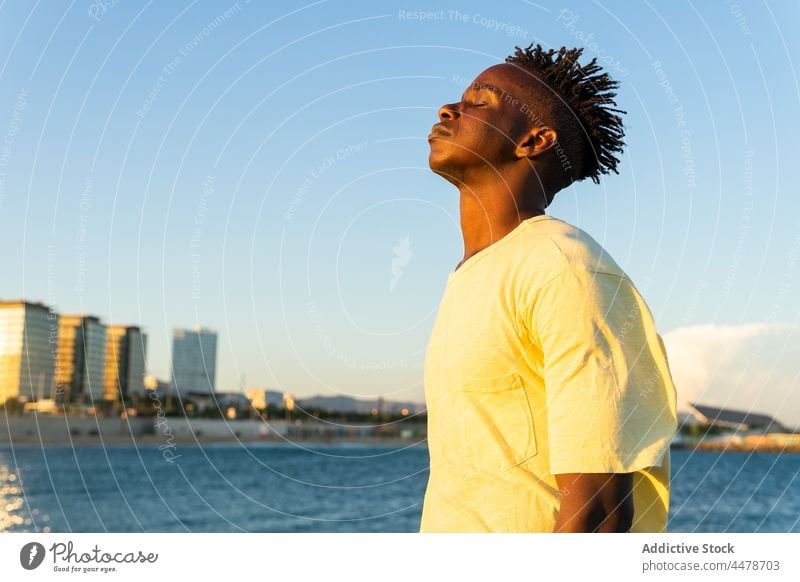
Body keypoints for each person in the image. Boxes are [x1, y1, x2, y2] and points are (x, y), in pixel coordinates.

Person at [419, 44, 678, 533]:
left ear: (535, 141)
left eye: (481, 101)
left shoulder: (564, 267)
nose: (448, 109)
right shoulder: (473, 274)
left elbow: (598, 513)